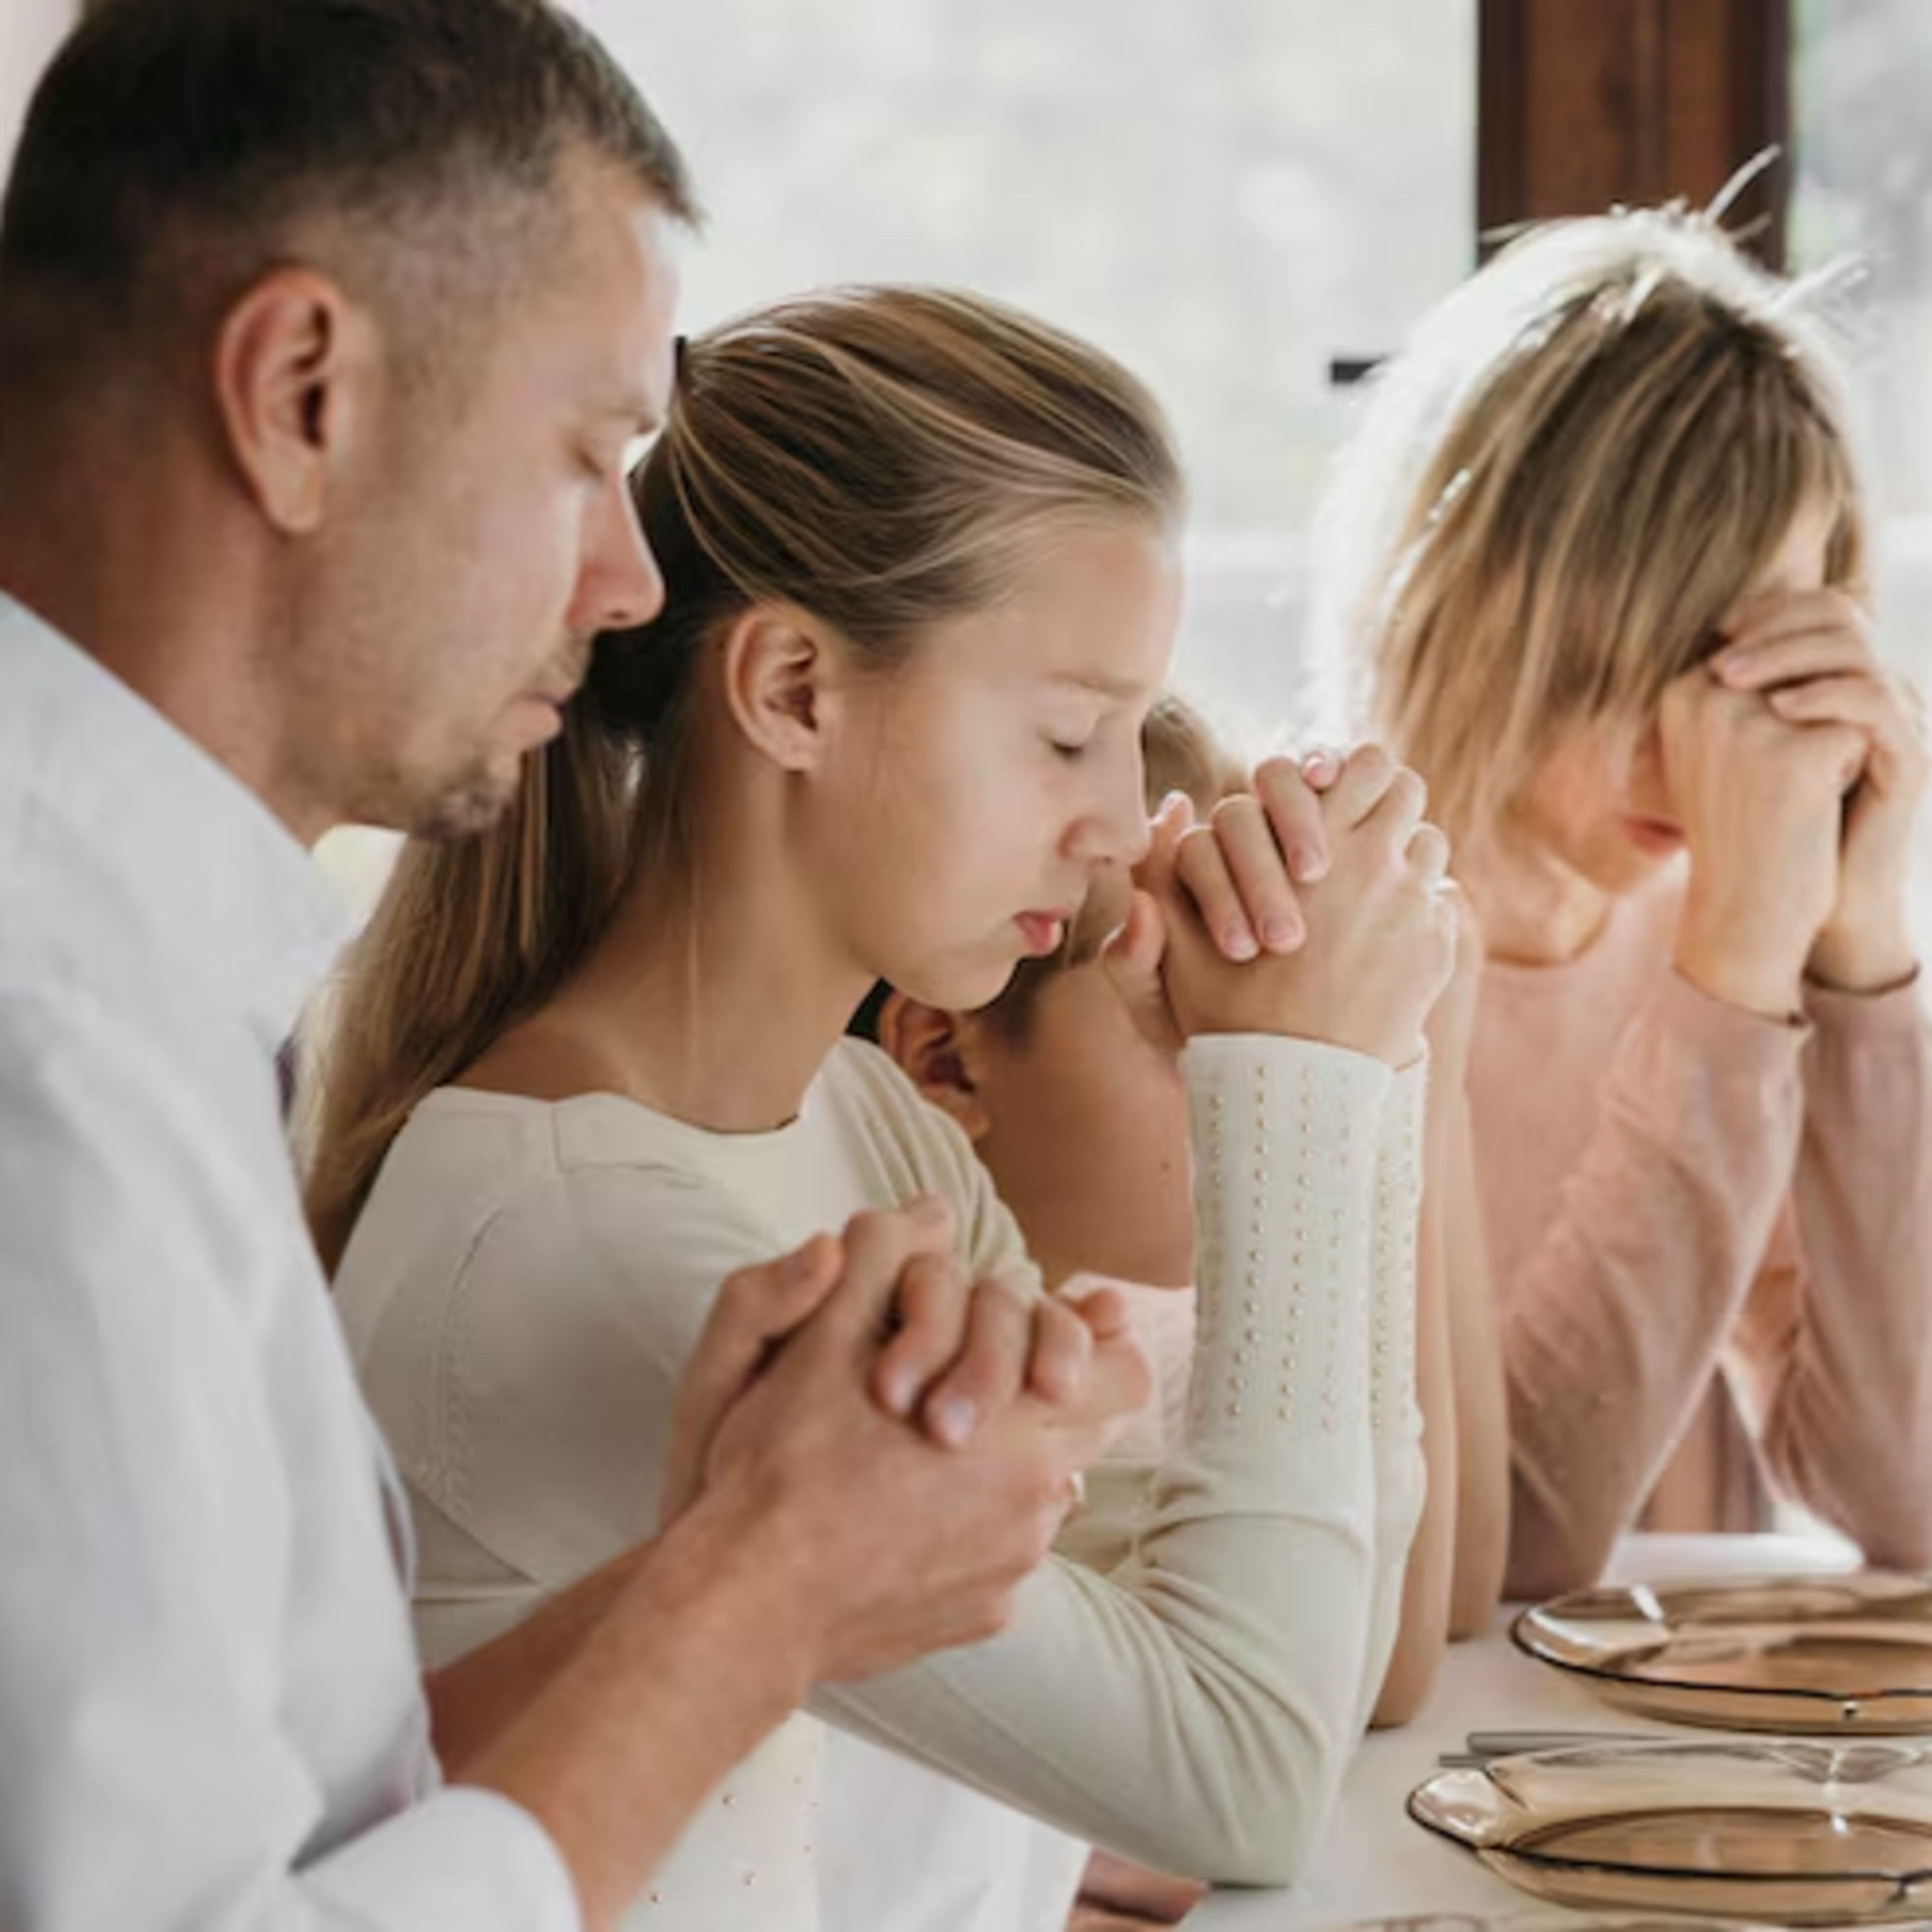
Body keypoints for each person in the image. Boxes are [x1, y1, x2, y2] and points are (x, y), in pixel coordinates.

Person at [0, 6, 1142, 1930]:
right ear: (300, 394)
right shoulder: (52, 1053)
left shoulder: (147, 982)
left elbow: (315, 1831)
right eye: (585, 456)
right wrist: (759, 1595)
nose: (629, 583)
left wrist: (756, 1551)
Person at [305, 283, 1457, 1931]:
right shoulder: (585, 1235)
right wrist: (1302, 1082)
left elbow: (1319, 1667)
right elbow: (1233, 1779)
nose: (1118, 826)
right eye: (1069, 733)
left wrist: (1368, 1061)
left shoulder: (863, 1123)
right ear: (792, 690)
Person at [1307, 198, 1932, 1598]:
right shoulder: (1294, 931)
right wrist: (1734, 983)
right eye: (1654, 649)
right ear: (1475, 590)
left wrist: (1866, 948)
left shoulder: (1721, 930)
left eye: (1758, 658)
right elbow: (1498, 1553)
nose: (1708, 738)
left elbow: (1909, 1494)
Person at [867, 691, 1510, 1753]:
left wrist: (1397, 1061)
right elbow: (1345, 1688)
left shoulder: (1138, 1322)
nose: (1239, 1043)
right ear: (945, 1059)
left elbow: (1423, 1628)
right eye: (1175, 991)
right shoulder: (953, 1388)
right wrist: (1342, 1073)